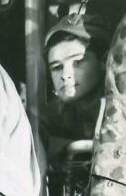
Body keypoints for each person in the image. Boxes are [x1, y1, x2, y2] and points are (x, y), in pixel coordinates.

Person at [44, 13, 109, 155]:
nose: (65, 75)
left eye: (77, 62)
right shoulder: (50, 117)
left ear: (104, 61)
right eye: (57, 67)